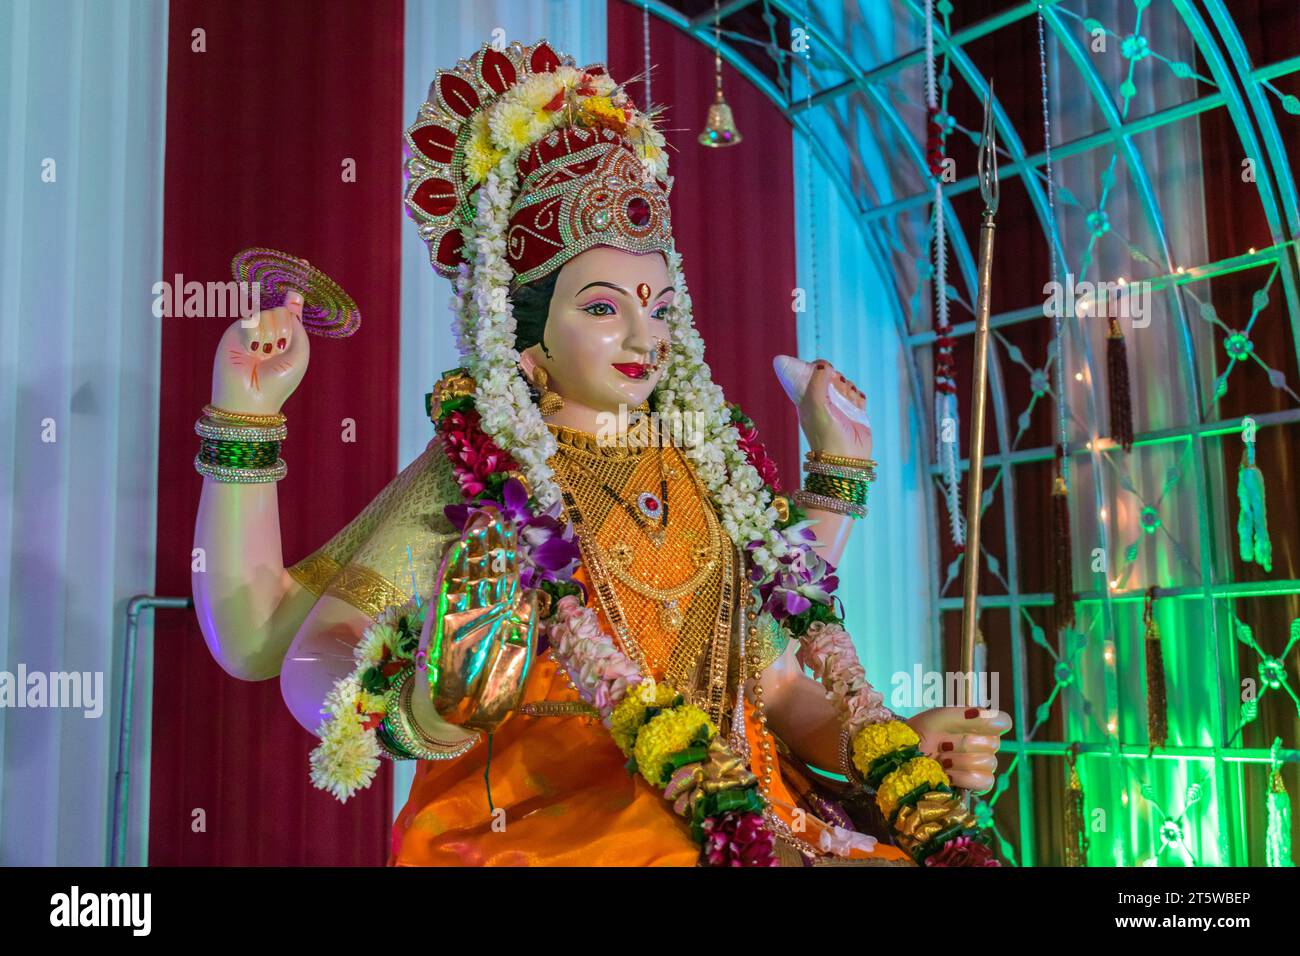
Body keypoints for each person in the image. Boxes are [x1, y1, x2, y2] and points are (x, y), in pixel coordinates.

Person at [191, 38, 1010, 867]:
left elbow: (778, 691)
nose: (640, 335)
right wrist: (430, 706)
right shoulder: (488, 476)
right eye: (601, 307)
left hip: (744, 805)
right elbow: (278, 644)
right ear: (527, 342)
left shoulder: (704, 464)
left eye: (655, 306)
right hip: (545, 819)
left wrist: (901, 739)